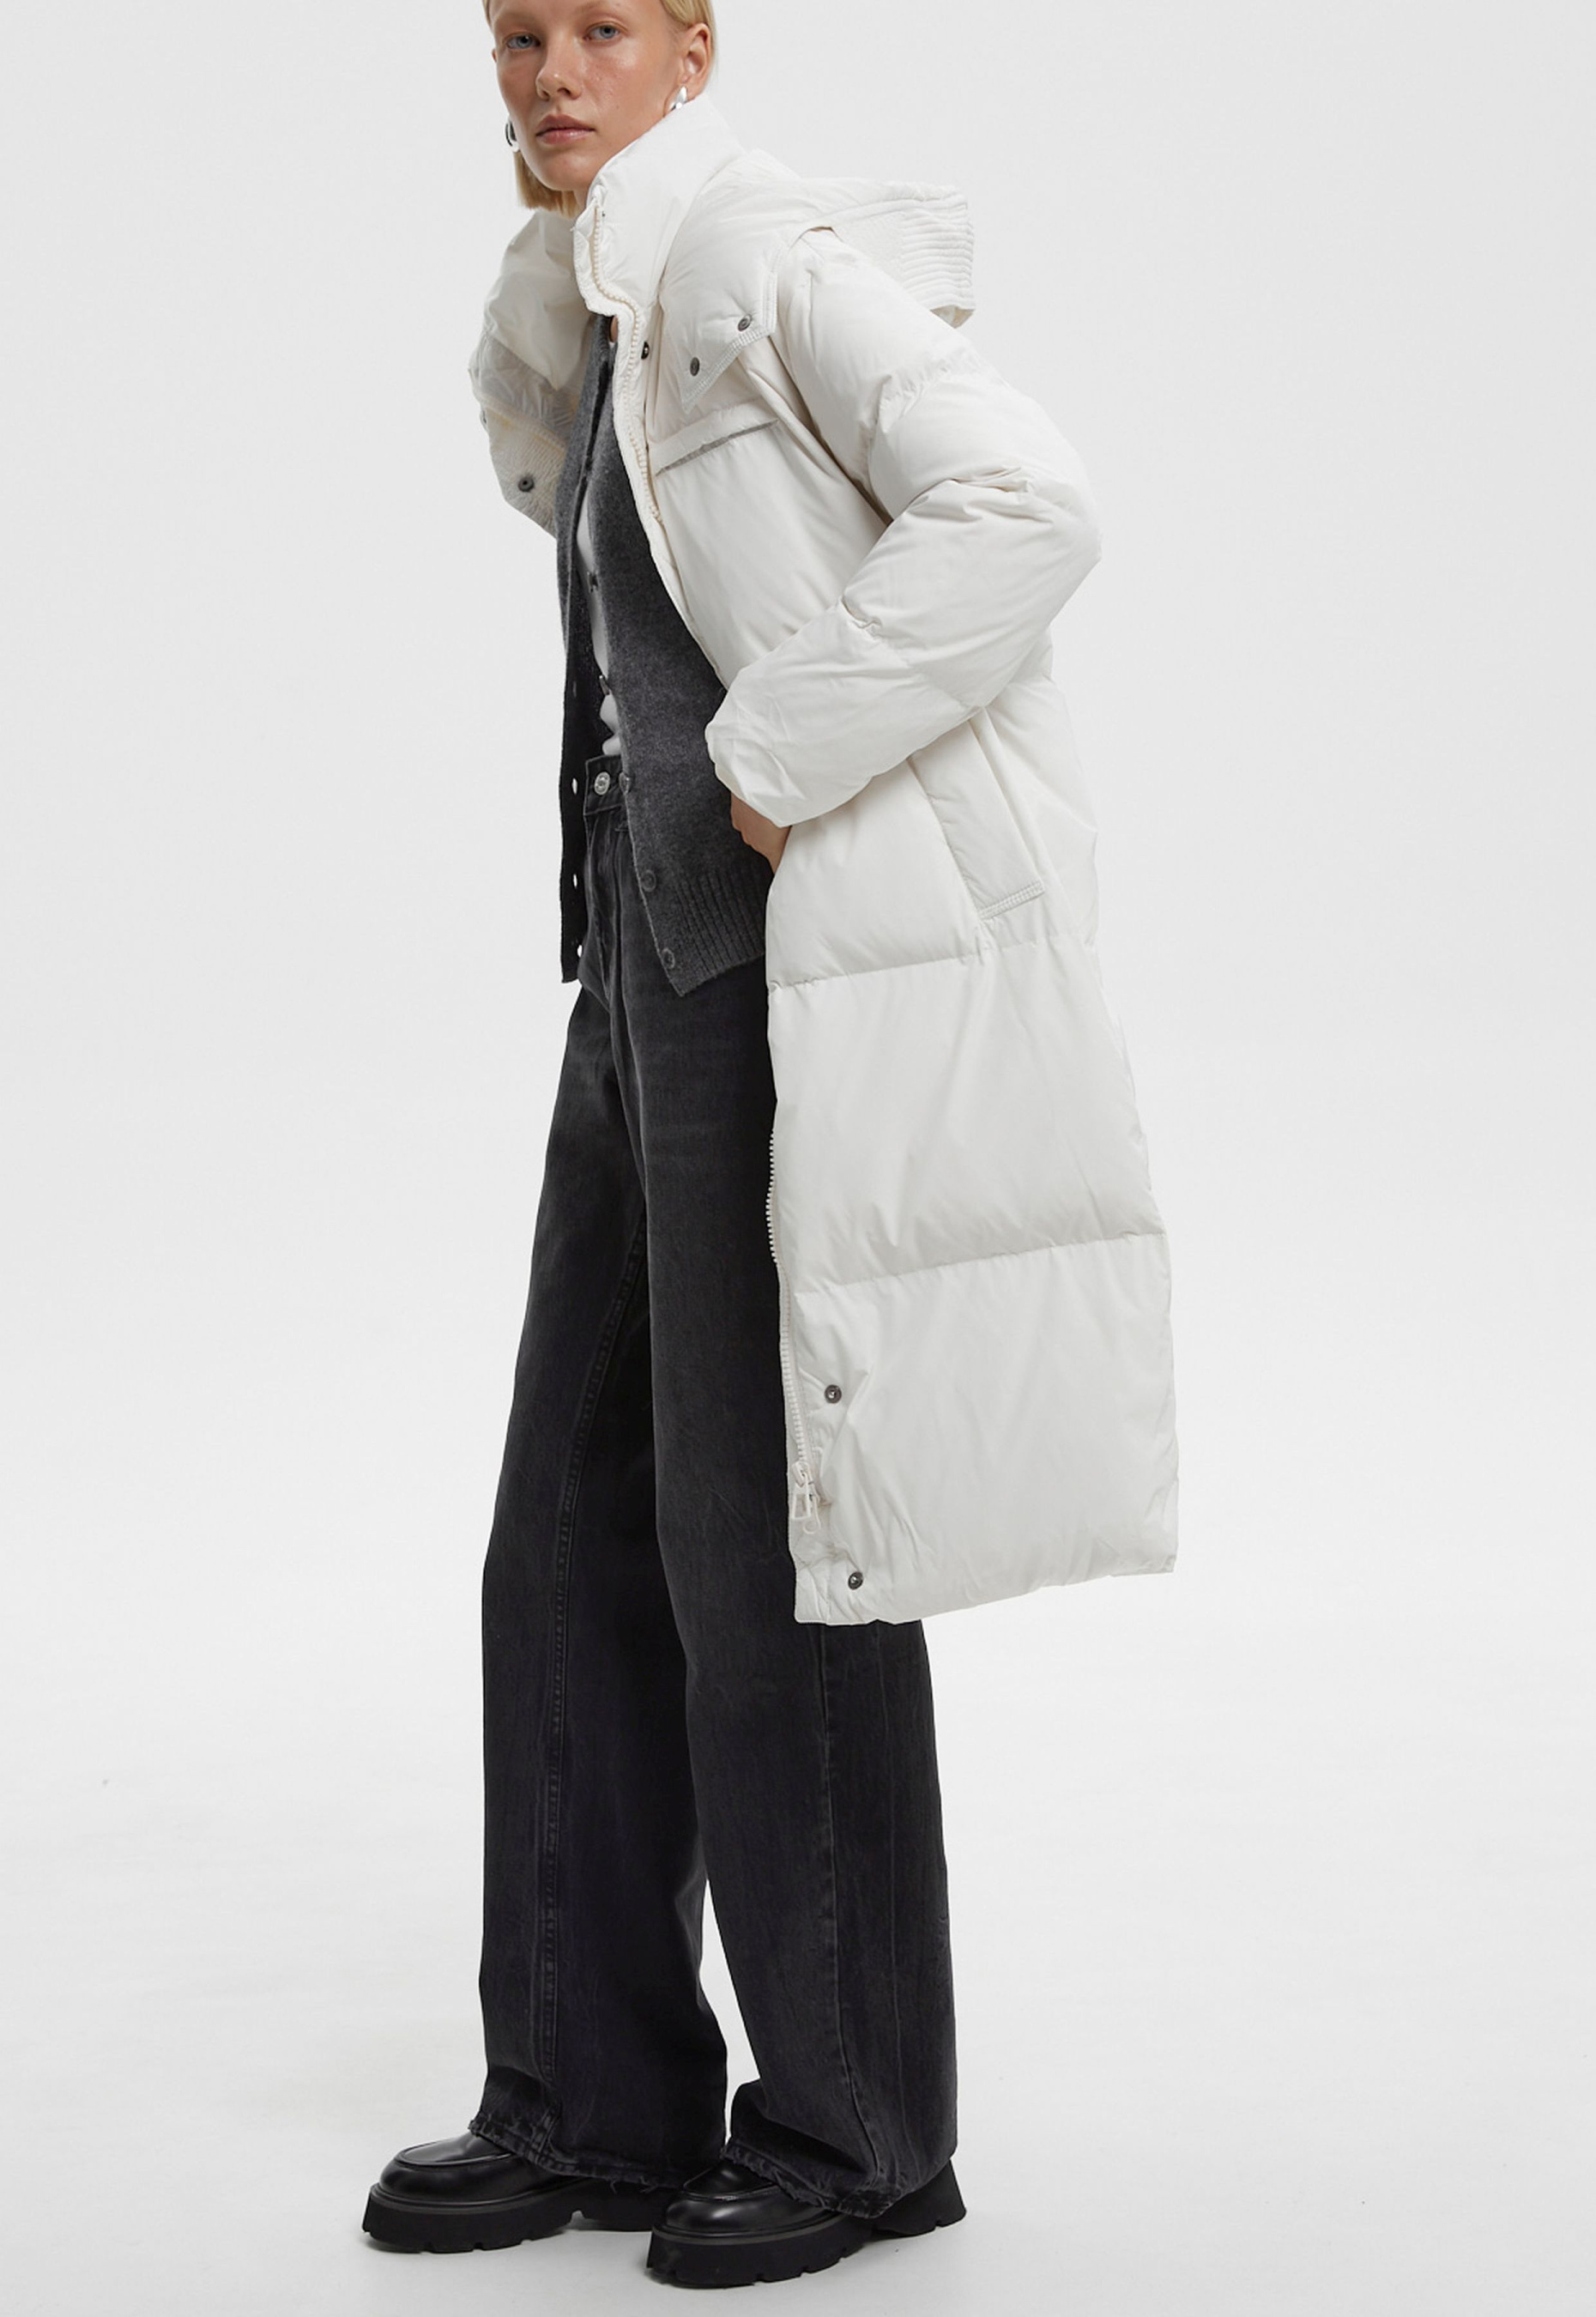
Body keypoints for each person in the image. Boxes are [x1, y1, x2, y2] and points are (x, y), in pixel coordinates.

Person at [362, 0, 1177, 2291]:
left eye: (599, 29)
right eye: (516, 34)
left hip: (765, 988)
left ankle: (856, 2127)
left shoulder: (761, 262)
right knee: (562, 1544)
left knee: (770, 1551)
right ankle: (592, 2094)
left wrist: (767, 760)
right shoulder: (619, 301)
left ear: (692, 47)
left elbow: (1026, 505)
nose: (549, 71)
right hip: (635, 986)